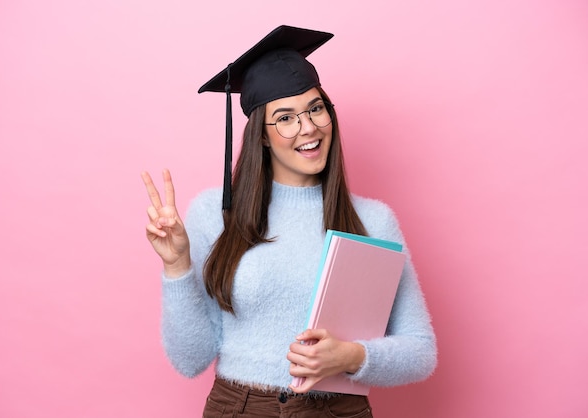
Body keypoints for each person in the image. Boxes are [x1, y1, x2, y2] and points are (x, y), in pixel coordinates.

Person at [141, 25, 437, 418]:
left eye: (315, 108)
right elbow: (189, 360)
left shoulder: (372, 220)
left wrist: (351, 355)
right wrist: (176, 266)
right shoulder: (216, 214)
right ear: (261, 136)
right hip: (240, 408)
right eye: (285, 118)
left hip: (337, 409)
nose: (308, 128)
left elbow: (421, 350)